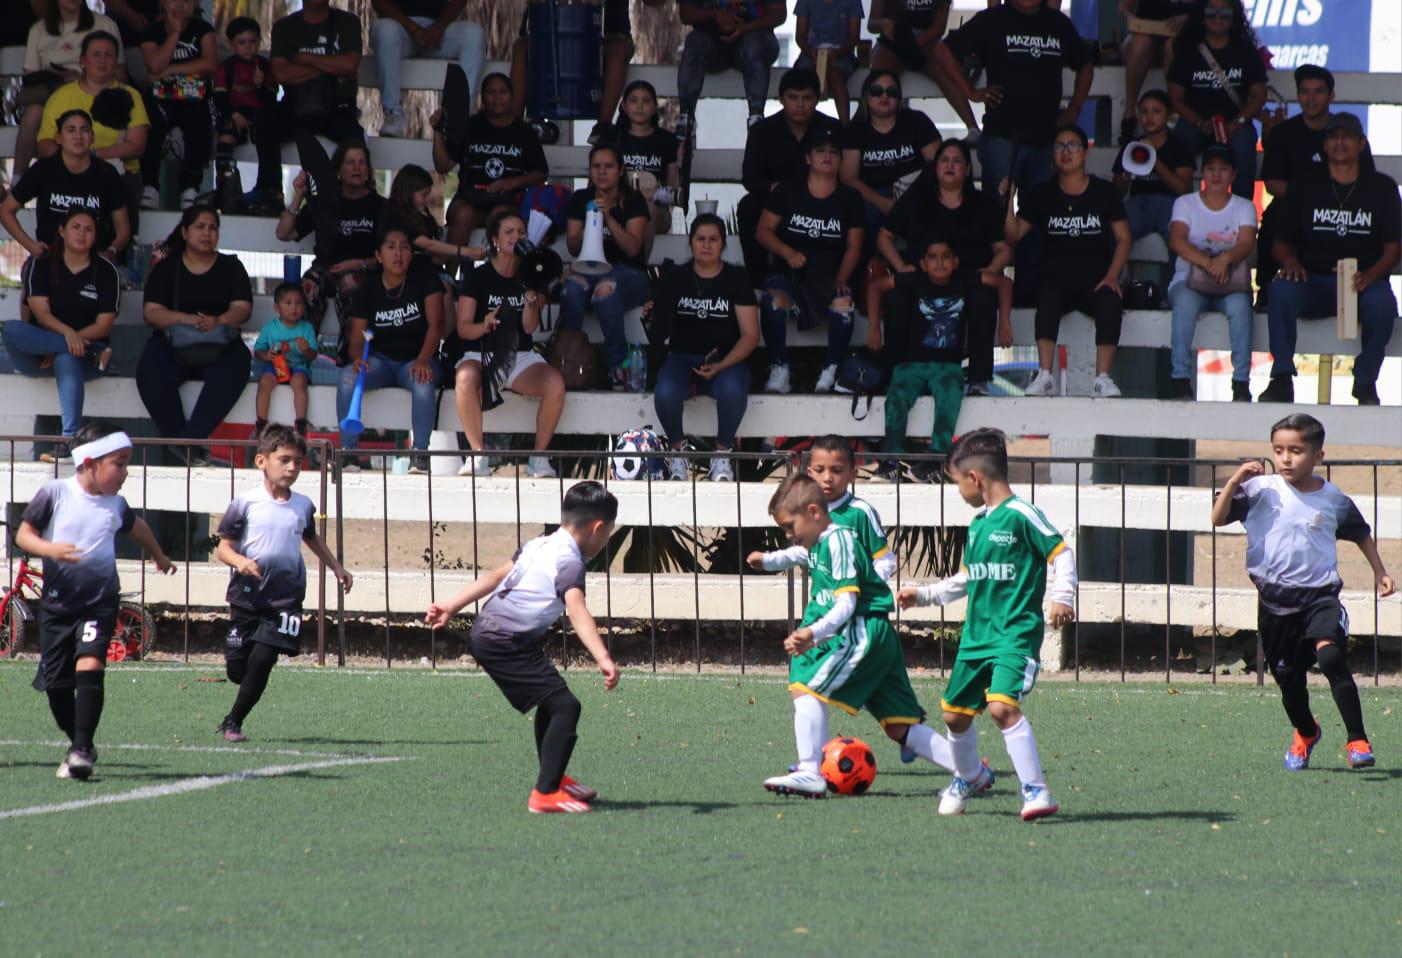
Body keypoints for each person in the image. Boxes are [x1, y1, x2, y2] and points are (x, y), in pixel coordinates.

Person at [898, 428, 1076, 820]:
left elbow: (1061, 553)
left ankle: (1036, 791)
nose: (959, 490)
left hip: (1013, 635)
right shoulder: (978, 525)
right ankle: (969, 777)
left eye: (957, 482)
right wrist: (923, 595)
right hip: (976, 639)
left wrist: (1064, 596)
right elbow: (968, 578)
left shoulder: (1021, 515)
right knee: (953, 717)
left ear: (974, 478)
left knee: (1000, 708)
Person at [745, 473, 959, 798]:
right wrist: (768, 561)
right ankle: (971, 770)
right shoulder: (820, 541)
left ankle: (808, 770)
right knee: (900, 726)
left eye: (790, 527)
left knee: (806, 686)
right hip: (876, 636)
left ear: (815, 512)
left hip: (862, 630)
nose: (789, 535)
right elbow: (799, 556)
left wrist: (813, 633)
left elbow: (847, 603)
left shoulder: (840, 540)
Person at [1211, 414, 1395, 772]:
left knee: (1330, 659)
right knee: (1288, 682)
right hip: (1275, 606)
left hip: (1320, 598)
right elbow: (1218, 518)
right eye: (1278, 450)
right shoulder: (1260, 490)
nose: (1285, 459)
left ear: (1318, 456)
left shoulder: (1332, 498)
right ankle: (1307, 732)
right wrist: (1235, 480)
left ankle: (1357, 740)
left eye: (1296, 450)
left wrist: (1380, 572)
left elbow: (1359, 532)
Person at [424, 481, 621, 814]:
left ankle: (553, 778)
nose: (605, 541)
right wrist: (602, 656)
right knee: (565, 707)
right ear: (598, 528)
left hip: (494, 635)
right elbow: (576, 609)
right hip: (504, 642)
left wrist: (451, 605)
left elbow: (498, 575)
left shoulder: (541, 544)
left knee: (552, 701)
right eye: (608, 533)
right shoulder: (570, 562)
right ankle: (545, 794)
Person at [15, 423, 175, 781]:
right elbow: (25, 534)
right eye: (119, 463)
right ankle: (78, 742)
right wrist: (50, 549)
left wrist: (159, 556)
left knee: (90, 664)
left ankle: (82, 749)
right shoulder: (55, 493)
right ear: (88, 462)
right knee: (56, 685)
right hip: (56, 608)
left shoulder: (115, 505)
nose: (126, 472)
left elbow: (139, 528)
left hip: (98, 603)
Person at [935, 0, 1092, 303]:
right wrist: (971, 93)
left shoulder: (1058, 23)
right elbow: (943, 50)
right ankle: (990, 292)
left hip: (1047, 140)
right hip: (1001, 138)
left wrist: (1075, 107)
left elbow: (1085, 62)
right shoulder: (992, 19)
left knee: (1035, 220)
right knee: (995, 219)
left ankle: (1027, 295)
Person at [215, 425, 353, 743]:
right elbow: (223, 547)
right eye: (285, 460)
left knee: (264, 659)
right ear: (262, 461)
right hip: (247, 596)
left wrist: (336, 568)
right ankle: (237, 672)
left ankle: (233, 721)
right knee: (238, 669)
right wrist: (241, 562)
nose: (293, 468)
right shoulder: (245, 503)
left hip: (285, 598)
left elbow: (311, 538)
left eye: (299, 462)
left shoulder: (302, 505)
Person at [1264, 113, 1400, 406]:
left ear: (1361, 144)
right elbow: (1280, 243)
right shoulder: (1304, 184)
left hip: (1361, 281)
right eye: (1334, 137)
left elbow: (1393, 248)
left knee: (1384, 303)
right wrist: (1289, 262)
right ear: (1325, 145)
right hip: (1312, 278)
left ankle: (1365, 381)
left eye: (1347, 137)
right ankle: (1282, 378)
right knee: (1281, 290)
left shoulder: (1383, 187)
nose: (1340, 143)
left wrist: (1372, 274)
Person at [1005, 125, 1132, 399]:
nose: (1066, 152)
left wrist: (1112, 276)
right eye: (1060, 146)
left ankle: (1102, 378)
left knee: (1111, 303)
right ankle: (1045, 375)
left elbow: (1124, 238)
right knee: (1047, 302)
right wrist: (1008, 200)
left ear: (1085, 153)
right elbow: (1013, 234)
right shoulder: (1041, 194)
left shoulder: (1104, 191)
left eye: (1073, 145)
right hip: (1056, 280)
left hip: (1096, 279)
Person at [879, 138, 1012, 394]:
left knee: (984, 298)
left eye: (957, 160)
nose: (950, 165)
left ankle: (978, 380)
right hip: (923, 281)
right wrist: (900, 266)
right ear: (935, 166)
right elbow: (884, 236)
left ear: (968, 169)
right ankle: (894, 375)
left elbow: (1003, 249)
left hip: (967, 281)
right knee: (897, 297)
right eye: (944, 160)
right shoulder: (917, 199)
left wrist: (990, 270)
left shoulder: (983, 204)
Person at [450, 210, 563, 480]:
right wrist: (484, 326)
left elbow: (528, 327)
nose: (516, 237)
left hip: (520, 356)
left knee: (555, 384)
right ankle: (478, 456)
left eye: (521, 232)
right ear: (495, 240)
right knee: (464, 378)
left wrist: (532, 299)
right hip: (480, 353)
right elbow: (464, 329)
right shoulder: (478, 277)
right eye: (509, 232)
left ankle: (538, 459)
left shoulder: (533, 273)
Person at [647, 214, 760, 483]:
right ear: (691, 243)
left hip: (727, 359)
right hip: (682, 358)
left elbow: (750, 335)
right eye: (700, 239)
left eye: (713, 239)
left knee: (733, 389)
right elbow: (660, 330)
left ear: (723, 244)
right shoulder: (675, 278)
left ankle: (722, 455)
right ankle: (677, 453)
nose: (707, 245)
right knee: (665, 391)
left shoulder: (737, 279)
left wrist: (721, 365)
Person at [2, 209, 120, 462]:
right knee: (11, 328)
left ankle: (70, 442)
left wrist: (62, 350)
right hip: (48, 354)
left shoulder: (106, 271)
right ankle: (76, 350)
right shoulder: (41, 264)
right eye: (76, 226)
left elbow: (104, 325)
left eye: (89, 229)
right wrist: (65, 342)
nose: (82, 233)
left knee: (66, 360)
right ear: (61, 230)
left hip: (86, 361)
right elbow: (41, 314)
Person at [136, 205, 254, 457]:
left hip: (219, 342)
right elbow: (152, 313)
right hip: (175, 343)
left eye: (212, 228)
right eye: (200, 227)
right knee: (150, 369)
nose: (207, 233)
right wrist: (186, 319)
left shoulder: (231, 266)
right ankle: (186, 446)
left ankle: (188, 441)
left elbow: (242, 309)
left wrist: (218, 320)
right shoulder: (168, 268)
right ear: (185, 231)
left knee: (238, 363)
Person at [756, 128, 865, 395]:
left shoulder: (850, 198)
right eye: (820, 151)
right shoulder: (788, 191)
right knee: (771, 301)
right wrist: (787, 252)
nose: (827, 156)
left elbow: (855, 245)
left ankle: (830, 372)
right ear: (808, 158)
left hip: (830, 274)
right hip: (789, 273)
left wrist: (841, 278)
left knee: (843, 304)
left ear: (840, 160)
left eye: (833, 152)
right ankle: (779, 369)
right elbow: (763, 231)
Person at [1255, 65, 1373, 304]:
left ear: (1331, 96)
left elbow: (1367, 183)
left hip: (1343, 207)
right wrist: (1310, 199)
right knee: (1274, 218)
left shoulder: (1348, 134)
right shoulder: (1283, 133)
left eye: (1318, 91)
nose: (1311, 98)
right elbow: (1273, 184)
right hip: (1296, 208)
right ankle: (1267, 290)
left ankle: (1367, 289)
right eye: (1305, 92)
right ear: (1297, 95)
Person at [337, 225, 446, 474]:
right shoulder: (368, 288)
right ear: (378, 255)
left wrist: (422, 359)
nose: (398, 254)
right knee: (346, 378)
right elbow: (356, 338)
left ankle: (419, 454)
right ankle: (349, 453)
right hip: (381, 361)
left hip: (418, 359)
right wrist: (356, 359)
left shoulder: (426, 279)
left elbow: (436, 325)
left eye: (404, 247)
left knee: (422, 381)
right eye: (391, 247)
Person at [865, 235, 976, 476]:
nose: (939, 262)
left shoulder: (964, 280)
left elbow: (1003, 283)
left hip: (948, 365)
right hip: (912, 364)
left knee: (949, 395)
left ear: (956, 262)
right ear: (923, 263)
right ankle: (891, 459)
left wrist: (1006, 322)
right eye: (933, 258)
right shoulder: (914, 280)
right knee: (896, 398)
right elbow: (875, 286)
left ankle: (937, 457)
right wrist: (874, 326)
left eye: (946, 257)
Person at [1165, 144, 1256, 401]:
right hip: (1189, 281)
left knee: (1241, 307)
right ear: (1202, 173)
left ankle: (1240, 383)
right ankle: (1180, 378)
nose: (1216, 175)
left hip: (1231, 285)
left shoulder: (1244, 206)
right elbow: (1177, 240)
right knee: (1183, 302)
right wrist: (1210, 263)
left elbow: (1247, 243)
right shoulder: (1185, 203)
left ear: (1233, 175)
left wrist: (1225, 258)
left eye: (1223, 169)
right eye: (1211, 169)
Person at [2, 108, 132, 286]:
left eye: (84, 130)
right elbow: (6, 209)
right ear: (58, 137)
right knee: (31, 277)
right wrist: (31, 246)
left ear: (92, 137)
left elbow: (123, 228)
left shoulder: (106, 173)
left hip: (93, 258)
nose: (78, 136)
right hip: (50, 256)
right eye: (71, 130)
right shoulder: (44, 169)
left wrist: (111, 251)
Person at [738, 68, 840, 288]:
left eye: (807, 98)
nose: (800, 104)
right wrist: (776, 189)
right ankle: (757, 285)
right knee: (748, 207)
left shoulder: (832, 129)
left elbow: (845, 174)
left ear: (818, 98)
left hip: (822, 199)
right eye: (793, 97)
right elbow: (750, 177)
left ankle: (841, 284)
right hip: (777, 201)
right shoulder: (762, 131)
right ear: (782, 98)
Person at [560, 143, 651, 388]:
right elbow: (572, 248)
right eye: (596, 166)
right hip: (589, 272)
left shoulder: (633, 200)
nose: (601, 172)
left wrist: (608, 217)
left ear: (620, 170)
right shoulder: (581, 199)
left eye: (608, 166)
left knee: (606, 290)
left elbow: (632, 248)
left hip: (629, 274)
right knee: (572, 288)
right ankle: (567, 361)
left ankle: (616, 367)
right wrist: (589, 222)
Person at [276, 139, 387, 333]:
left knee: (351, 282)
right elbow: (284, 233)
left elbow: (387, 255)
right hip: (326, 269)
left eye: (362, 163)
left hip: (363, 270)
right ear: (338, 169)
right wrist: (299, 196)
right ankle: (301, 349)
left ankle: (351, 355)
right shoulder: (324, 202)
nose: (357, 168)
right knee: (310, 283)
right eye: (350, 162)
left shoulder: (380, 206)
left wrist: (358, 263)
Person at [509, 0, 652, 147]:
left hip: (609, 36)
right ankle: (512, 129)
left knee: (619, 51)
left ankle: (603, 127)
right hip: (551, 32)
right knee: (521, 48)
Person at [430, 72, 547, 250]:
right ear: (482, 97)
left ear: (512, 96)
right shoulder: (470, 127)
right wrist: (438, 132)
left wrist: (511, 182)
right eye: (491, 92)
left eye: (503, 92)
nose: (498, 97)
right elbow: (443, 166)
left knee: (503, 218)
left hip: (506, 202)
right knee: (463, 214)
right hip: (468, 200)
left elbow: (540, 173)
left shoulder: (525, 133)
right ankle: (450, 275)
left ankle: (498, 274)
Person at [14, 0, 126, 181]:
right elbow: (30, 78)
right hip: (55, 94)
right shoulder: (39, 29)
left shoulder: (106, 24)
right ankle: (17, 180)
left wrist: (84, 77)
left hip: (95, 91)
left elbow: (121, 76)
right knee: (33, 111)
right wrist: (54, 76)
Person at [1166, 0, 1265, 202]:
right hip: (1195, 124)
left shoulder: (1245, 50)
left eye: (1225, 14)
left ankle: (1242, 217)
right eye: (1211, 13)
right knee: (1175, 149)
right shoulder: (1188, 51)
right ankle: (1178, 213)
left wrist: (1237, 122)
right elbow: (1175, 97)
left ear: (1234, 18)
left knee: (1244, 149)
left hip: (1235, 124)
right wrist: (1198, 122)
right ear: (1202, 18)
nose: (1218, 18)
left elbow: (1259, 94)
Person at [840, 70, 940, 249]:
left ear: (899, 98)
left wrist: (909, 200)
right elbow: (849, 178)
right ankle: (870, 270)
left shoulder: (916, 121)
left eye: (891, 92)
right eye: (877, 91)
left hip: (915, 190)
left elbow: (938, 164)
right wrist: (883, 203)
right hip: (872, 196)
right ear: (866, 96)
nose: (884, 96)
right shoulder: (855, 130)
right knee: (863, 213)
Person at [37, 31, 150, 191]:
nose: (102, 60)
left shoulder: (131, 95)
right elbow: (44, 143)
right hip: (68, 172)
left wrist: (91, 155)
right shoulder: (60, 96)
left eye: (108, 55)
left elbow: (136, 146)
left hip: (118, 176)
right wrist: (72, 159)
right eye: (96, 54)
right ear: (83, 60)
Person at [136, 0, 217, 210]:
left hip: (195, 95)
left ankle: (190, 188)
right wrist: (174, 34)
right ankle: (150, 187)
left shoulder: (203, 29)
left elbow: (210, 63)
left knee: (200, 122)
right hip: (161, 97)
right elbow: (154, 64)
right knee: (149, 122)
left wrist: (170, 71)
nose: (180, 4)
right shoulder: (152, 32)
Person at [370, 0, 485, 138]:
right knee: (385, 30)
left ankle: (459, 117)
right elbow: (378, 2)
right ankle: (392, 113)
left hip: (438, 31)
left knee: (474, 34)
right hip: (399, 29)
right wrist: (414, 29)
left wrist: (439, 27)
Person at [677, 0, 785, 134]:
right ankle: (686, 119)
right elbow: (685, 13)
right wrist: (715, 14)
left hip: (755, 40)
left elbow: (779, 14)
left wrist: (746, 27)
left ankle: (756, 121)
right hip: (711, 42)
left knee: (754, 45)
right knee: (694, 42)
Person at [213, 17, 283, 216]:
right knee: (226, 135)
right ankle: (224, 187)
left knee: (267, 123)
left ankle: (267, 191)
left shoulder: (264, 66)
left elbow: (271, 99)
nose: (248, 47)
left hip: (259, 114)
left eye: (252, 42)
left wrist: (261, 86)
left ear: (259, 42)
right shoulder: (226, 68)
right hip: (234, 113)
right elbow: (219, 98)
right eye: (242, 43)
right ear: (232, 44)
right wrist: (234, 115)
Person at [270, 0, 364, 143]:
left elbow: (350, 65)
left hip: (339, 107)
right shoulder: (284, 27)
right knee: (266, 123)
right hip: (295, 106)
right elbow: (281, 74)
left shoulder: (347, 22)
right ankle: (270, 167)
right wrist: (332, 66)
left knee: (355, 145)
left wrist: (305, 58)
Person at [1111, 90, 1194, 246]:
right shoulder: (1131, 146)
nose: (1149, 117)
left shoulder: (1180, 146)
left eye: (1156, 111)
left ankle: (1180, 272)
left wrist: (1154, 159)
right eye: (1144, 111)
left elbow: (1182, 189)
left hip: (1172, 204)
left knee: (1180, 241)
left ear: (1168, 115)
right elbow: (1117, 192)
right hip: (1138, 202)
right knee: (1118, 233)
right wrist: (1126, 174)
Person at [1117, 0, 1193, 145]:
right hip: (1146, 34)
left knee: (1172, 46)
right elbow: (1123, 7)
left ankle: (1173, 115)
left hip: (1182, 38)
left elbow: (1211, 7)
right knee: (1139, 44)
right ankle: (1129, 114)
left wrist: (1189, 17)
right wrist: (1129, 17)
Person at [252, 283, 320, 439]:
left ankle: (301, 423)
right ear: (277, 307)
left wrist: (306, 350)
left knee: (299, 382)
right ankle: (261, 423)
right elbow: (258, 350)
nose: (294, 308)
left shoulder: (307, 328)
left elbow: (313, 355)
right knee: (264, 383)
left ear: (304, 307)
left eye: (298, 303)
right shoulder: (270, 328)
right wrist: (266, 355)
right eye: (288, 303)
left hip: (298, 366)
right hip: (274, 366)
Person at [387, 164, 481, 276]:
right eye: (423, 195)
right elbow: (427, 244)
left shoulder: (423, 218)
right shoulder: (394, 217)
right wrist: (466, 251)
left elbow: (434, 256)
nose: (426, 200)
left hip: (429, 271)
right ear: (409, 192)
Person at [615, 80, 681, 237]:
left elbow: (672, 191)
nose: (639, 106)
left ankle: (641, 262)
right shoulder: (614, 139)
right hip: (618, 206)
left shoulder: (668, 141)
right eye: (633, 101)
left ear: (654, 107)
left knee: (646, 209)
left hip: (656, 211)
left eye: (646, 101)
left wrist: (679, 163)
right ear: (624, 106)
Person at [793, 0, 863, 124]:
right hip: (811, 54)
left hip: (841, 54)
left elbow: (854, 36)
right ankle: (802, 123)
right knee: (804, 80)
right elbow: (800, 35)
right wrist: (811, 52)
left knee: (836, 76)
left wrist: (837, 54)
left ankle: (845, 127)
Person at [868, 0, 952, 87]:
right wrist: (883, 24)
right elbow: (872, 23)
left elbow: (939, 27)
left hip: (927, 42)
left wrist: (911, 46)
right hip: (893, 42)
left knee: (947, 72)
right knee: (880, 77)